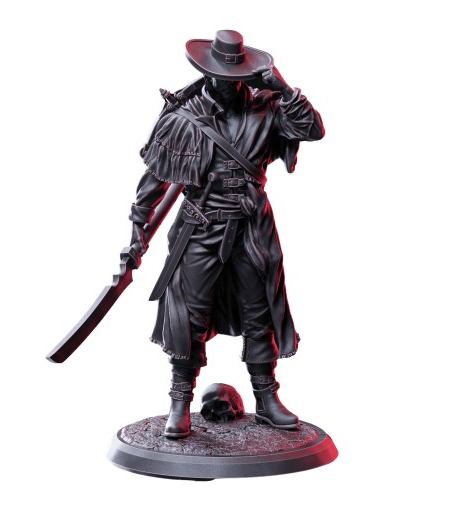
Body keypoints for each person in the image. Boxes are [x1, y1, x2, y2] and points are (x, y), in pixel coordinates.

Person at [128, 30, 324, 438]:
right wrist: (136, 234)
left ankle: (267, 400)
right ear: (206, 71)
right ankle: (179, 403)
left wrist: (284, 88)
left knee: (260, 310)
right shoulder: (184, 117)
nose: (227, 83)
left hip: (253, 227)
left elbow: (312, 129)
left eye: (235, 76)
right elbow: (154, 180)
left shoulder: (268, 107)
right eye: (219, 75)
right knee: (188, 314)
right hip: (200, 228)